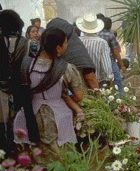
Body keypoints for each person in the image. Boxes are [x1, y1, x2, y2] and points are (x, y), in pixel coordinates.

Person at [14, 27, 83, 157]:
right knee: (64, 158)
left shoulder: (26, 64)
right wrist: (67, 97)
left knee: (36, 158)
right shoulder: (66, 68)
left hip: (29, 116)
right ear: (58, 47)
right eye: (65, 43)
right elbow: (79, 96)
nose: (67, 45)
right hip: (58, 118)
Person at [0, 9, 33, 154]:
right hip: (21, 87)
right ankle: (22, 147)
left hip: (1, 87)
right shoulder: (26, 43)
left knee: (3, 121)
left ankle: (7, 150)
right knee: (21, 118)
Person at [47, 17, 99, 89]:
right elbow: (90, 77)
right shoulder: (77, 47)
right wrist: (100, 97)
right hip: (80, 94)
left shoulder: (49, 50)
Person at [76, 13, 113, 87]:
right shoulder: (102, 43)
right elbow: (106, 65)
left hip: (80, 82)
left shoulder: (77, 41)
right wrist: (110, 79)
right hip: (98, 81)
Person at [99, 17, 126, 94]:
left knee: (102, 82)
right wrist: (121, 65)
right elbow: (116, 52)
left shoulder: (97, 34)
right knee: (118, 80)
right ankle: (122, 99)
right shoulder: (110, 35)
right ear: (110, 25)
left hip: (98, 62)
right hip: (110, 61)